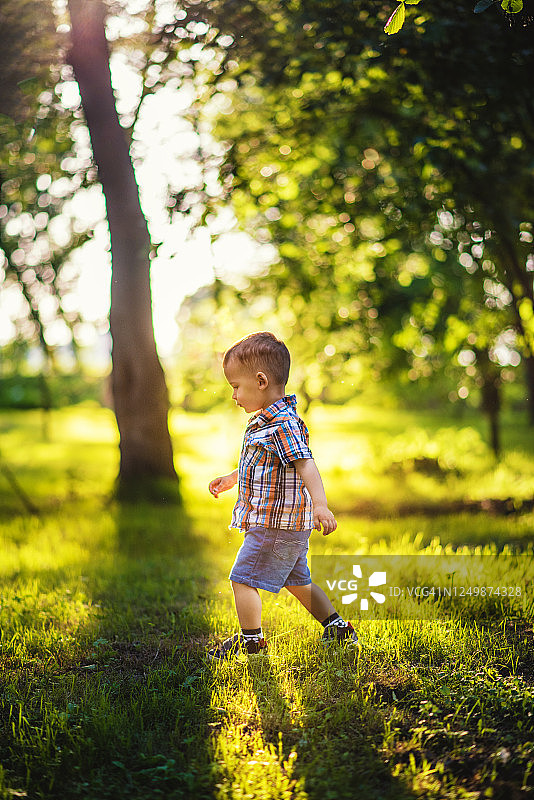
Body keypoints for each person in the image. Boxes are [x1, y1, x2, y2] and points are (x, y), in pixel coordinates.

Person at [207, 331, 358, 662]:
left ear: (260, 381)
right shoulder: (265, 422)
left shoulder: (282, 424)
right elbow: (265, 465)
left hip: (276, 525)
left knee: (242, 579)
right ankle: (338, 629)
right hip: (286, 525)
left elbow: (306, 465)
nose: (233, 394)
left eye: (236, 386)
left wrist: (321, 505)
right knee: (298, 581)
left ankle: (251, 642)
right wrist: (233, 478)